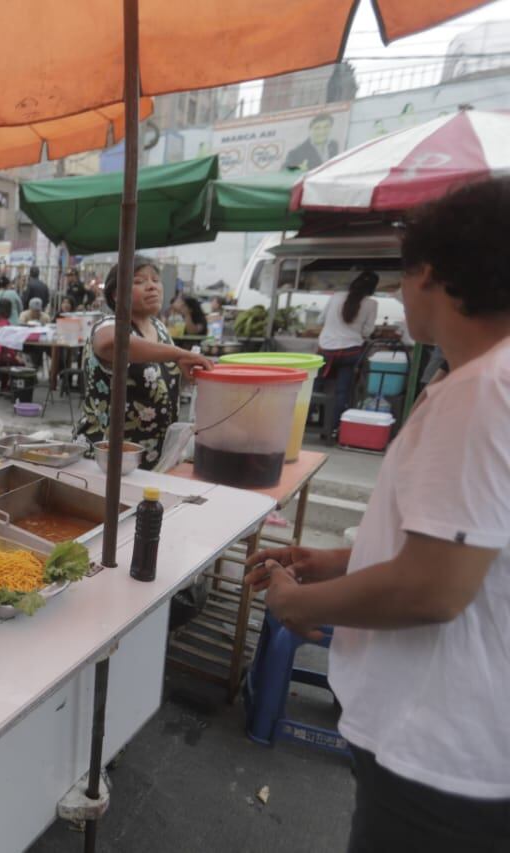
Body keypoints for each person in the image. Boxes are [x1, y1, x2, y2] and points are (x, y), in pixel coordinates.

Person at [244, 177, 510, 852]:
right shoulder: (478, 379)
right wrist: (329, 560)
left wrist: (302, 605)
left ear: (433, 274)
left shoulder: (481, 392)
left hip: (441, 749)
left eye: (402, 274)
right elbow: (469, 548)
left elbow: (434, 587)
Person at [77, 258, 214, 469]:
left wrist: (189, 379)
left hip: (153, 459)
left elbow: (161, 381)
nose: (152, 286)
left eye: (156, 280)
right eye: (139, 281)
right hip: (108, 460)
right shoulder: (108, 324)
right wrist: (178, 354)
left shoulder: (160, 329)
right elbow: (113, 343)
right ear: (116, 294)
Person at [317, 270, 380, 437]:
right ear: (372, 288)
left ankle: (304, 423)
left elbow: (320, 320)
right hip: (350, 352)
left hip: (326, 349)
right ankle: (332, 429)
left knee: (315, 387)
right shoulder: (371, 304)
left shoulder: (337, 296)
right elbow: (367, 331)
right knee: (342, 391)